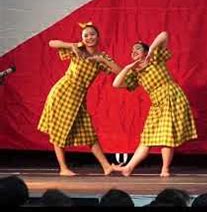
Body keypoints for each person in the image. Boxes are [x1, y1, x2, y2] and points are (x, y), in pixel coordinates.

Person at [38, 22, 122, 176]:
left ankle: (107, 167)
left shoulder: (101, 57)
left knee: (89, 133)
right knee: (58, 130)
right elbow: (52, 43)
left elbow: (120, 72)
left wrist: (103, 61)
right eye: (86, 35)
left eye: (92, 34)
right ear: (82, 38)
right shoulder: (77, 50)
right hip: (63, 93)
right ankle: (63, 168)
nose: (89, 38)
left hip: (79, 98)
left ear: (98, 37)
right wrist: (72, 45)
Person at [112, 31, 197, 177]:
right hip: (157, 103)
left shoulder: (155, 59)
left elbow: (164, 35)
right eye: (132, 50)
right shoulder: (136, 74)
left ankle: (165, 169)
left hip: (171, 97)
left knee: (166, 135)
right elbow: (116, 84)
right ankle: (129, 167)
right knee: (147, 137)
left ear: (145, 52)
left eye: (138, 49)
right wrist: (127, 68)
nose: (134, 51)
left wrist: (151, 51)